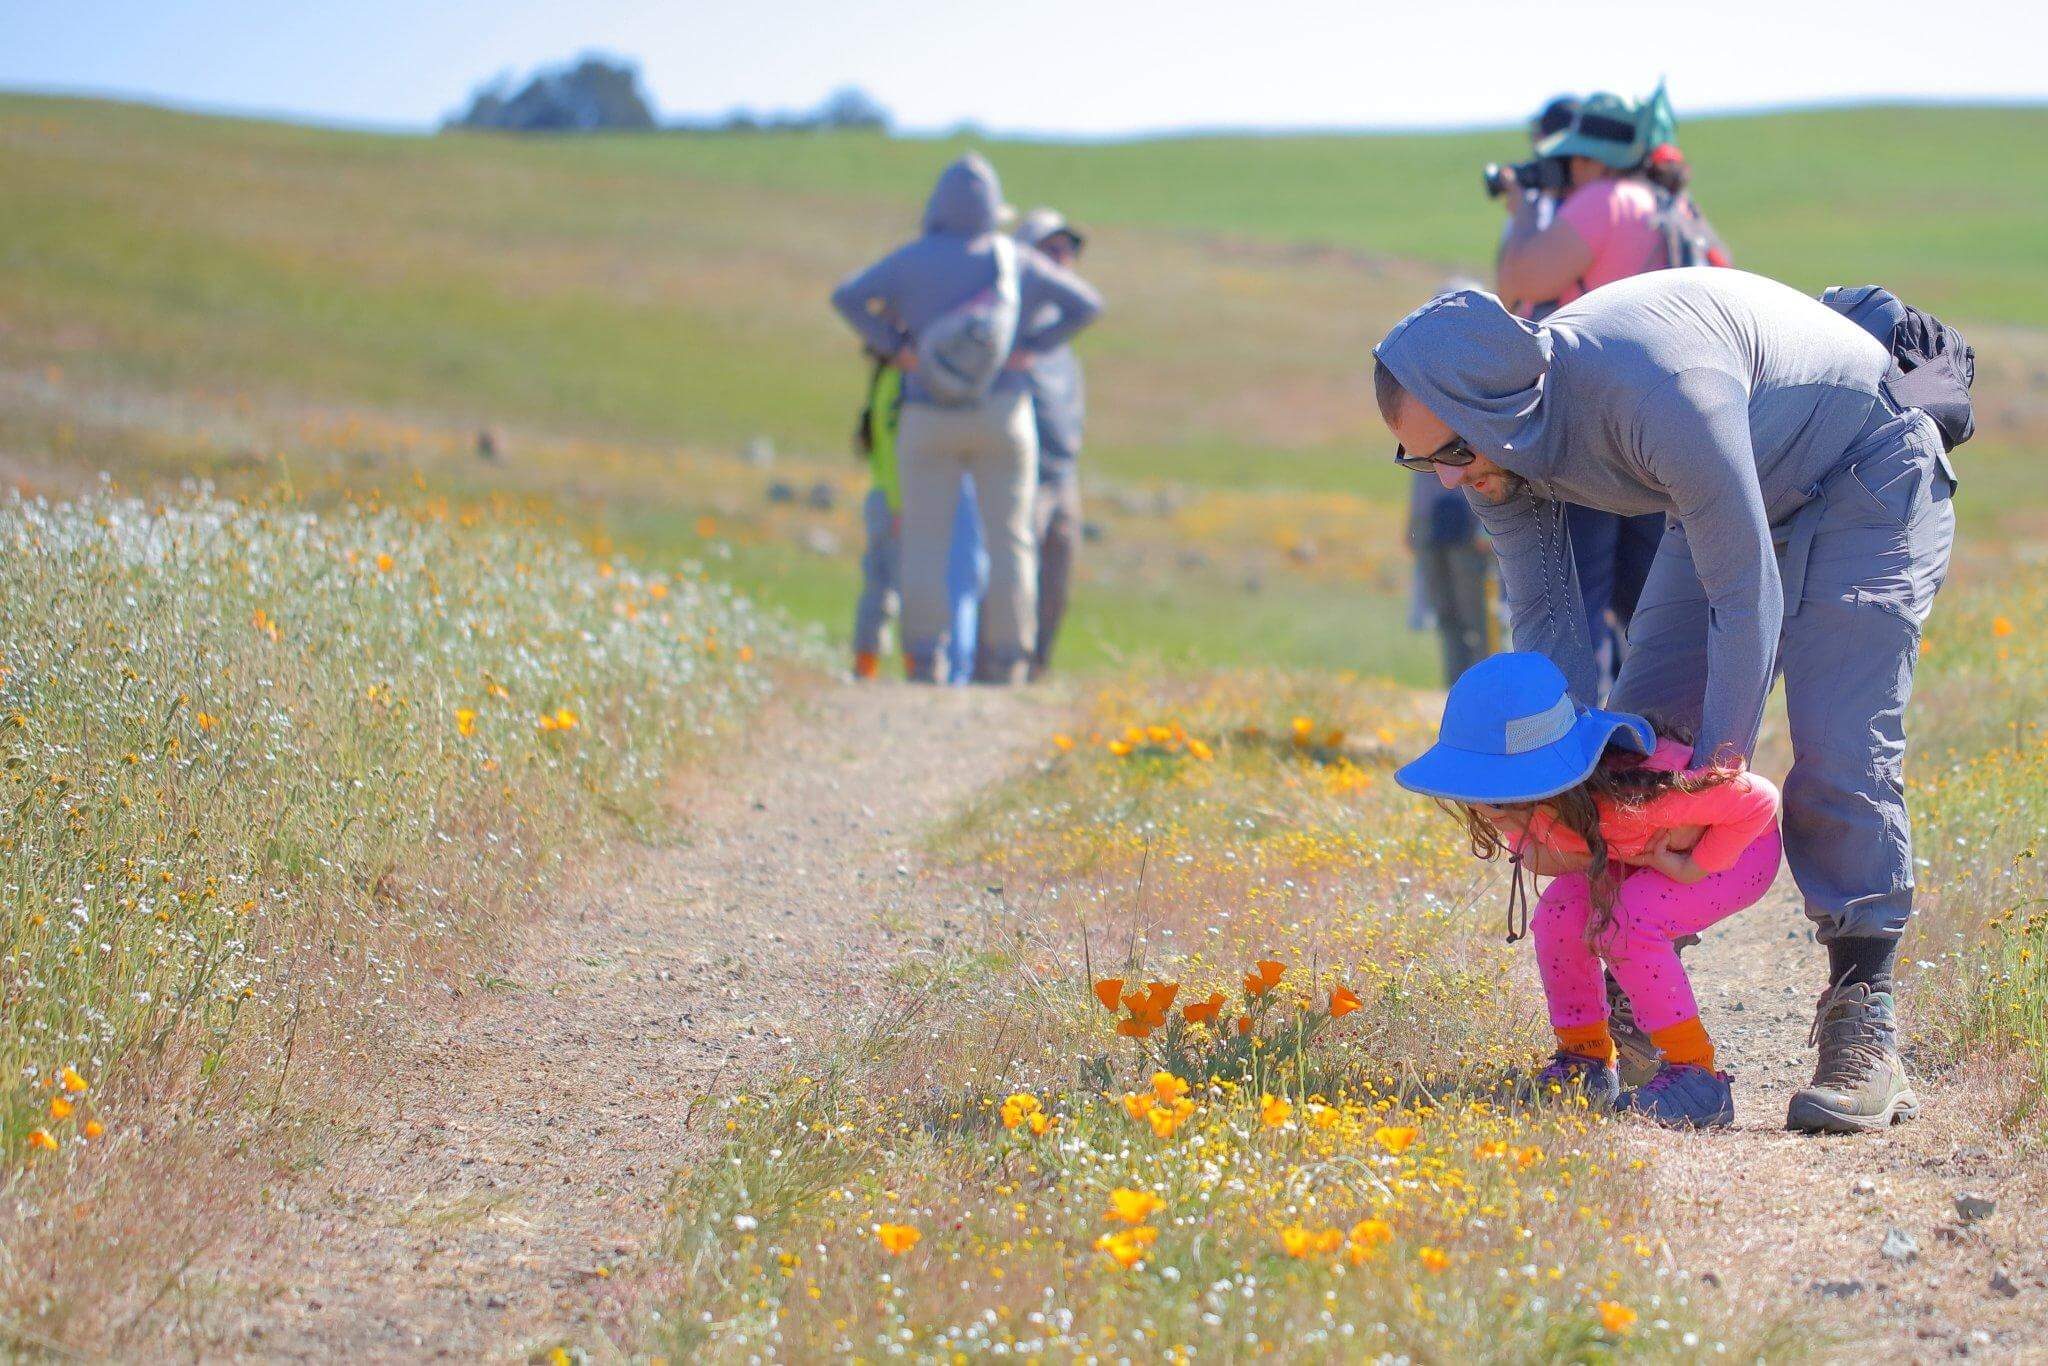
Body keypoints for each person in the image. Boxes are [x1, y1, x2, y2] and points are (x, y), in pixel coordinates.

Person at [1373, 268, 1956, 1134]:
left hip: (1862, 468)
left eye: (1454, 451)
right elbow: (1548, 621)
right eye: (1420, 461)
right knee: (1637, 754)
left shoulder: (1655, 391)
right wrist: (1556, 796)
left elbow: (1744, 592)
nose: (1449, 480)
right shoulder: (1503, 448)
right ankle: (1627, 1007)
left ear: (1502, 406)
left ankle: (1861, 1016)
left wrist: (1715, 783)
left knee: (1838, 744)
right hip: (1726, 492)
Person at [1396, 653, 1783, 1127]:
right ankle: (1585, 1059)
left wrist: (1692, 865)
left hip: (1734, 853)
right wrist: (1613, 857)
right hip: (1633, 856)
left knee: (1627, 918)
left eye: (1492, 794)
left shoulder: (1643, 794)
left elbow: (1759, 800)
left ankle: (1697, 1075)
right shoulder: (1540, 802)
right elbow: (1555, 856)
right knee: (1559, 912)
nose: (1480, 806)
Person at [831, 154, 1102, 683]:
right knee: (1011, 539)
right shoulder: (1011, 260)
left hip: (927, 412)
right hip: (1002, 411)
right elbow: (1087, 304)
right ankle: (1008, 660)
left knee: (926, 540)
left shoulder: (912, 259)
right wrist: (1030, 347)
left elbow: (848, 298)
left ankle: (924, 657)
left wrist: (897, 348)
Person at [1493, 88, 1716, 695]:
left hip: (1590, 417)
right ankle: (1667, 745)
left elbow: (1517, 283)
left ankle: (1575, 754)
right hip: (1669, 427)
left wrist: (1523, 215)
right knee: (1651, 600)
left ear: (1590, 159)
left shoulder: (1603, 201)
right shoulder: (1681, 212)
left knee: (1574, 597)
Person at [849, 360, 993, 686]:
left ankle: (869, 666)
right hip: (897, 498)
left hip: (886, 494)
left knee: (883, 584)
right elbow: (891, 447)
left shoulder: (888, 376)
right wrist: (902, 504)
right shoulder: (903, 382)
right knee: (902, 584)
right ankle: (907, 667)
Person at [1010, 209, 1092, 680]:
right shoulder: (1015, 324)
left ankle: (1037, 668)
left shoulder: (1059, 330)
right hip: (1023, 472)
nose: (1063, 259)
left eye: (1068, 250)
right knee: (1017, 577)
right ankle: (1004, 668)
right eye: (1051, 249)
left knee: (1057, 578)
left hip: (1064, 473)